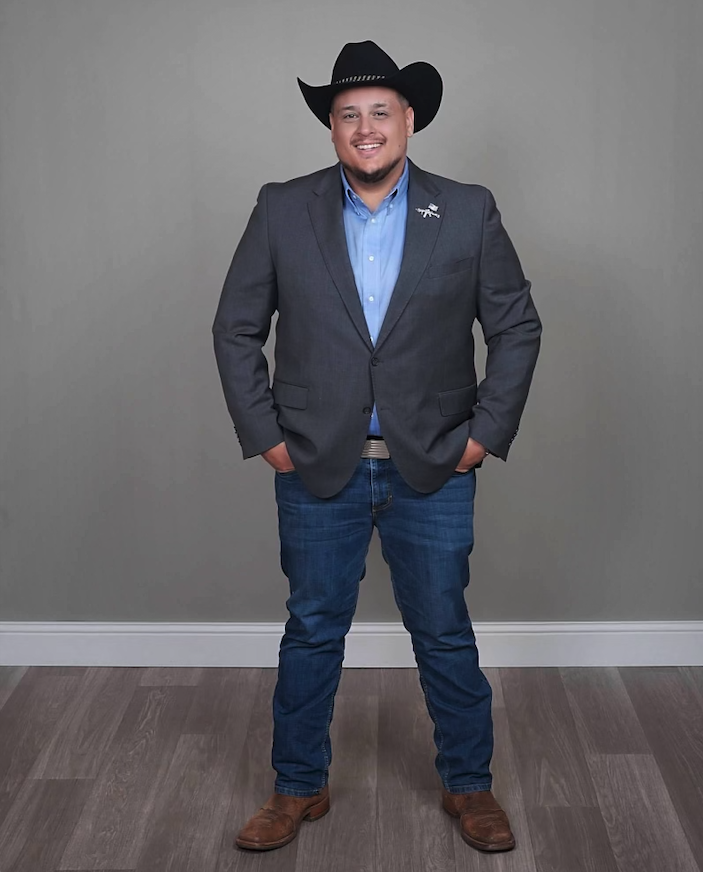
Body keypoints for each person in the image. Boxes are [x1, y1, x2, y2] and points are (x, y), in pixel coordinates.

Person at [212, 40, 541, 854]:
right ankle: (297, 787)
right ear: (331, 130)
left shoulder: (466, 209)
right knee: (312, 629)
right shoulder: (281, 207)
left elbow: (515, 327)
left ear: (410, 120)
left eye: (380, 114)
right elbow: (235, 328)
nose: (365, 128)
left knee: (443, 632)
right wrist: (267, 440)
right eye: (348, 116)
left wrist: (481, 438)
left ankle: (469, 786)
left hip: (433, 465)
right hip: (314, 463)